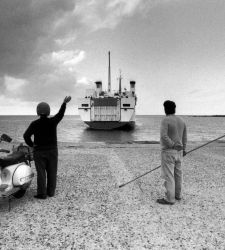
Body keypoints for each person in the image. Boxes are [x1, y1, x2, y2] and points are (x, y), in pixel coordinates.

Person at [23, 96, 71, 199]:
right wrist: (64, 103)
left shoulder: (34, 124)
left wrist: (32, 145)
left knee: (41, 173)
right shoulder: (52, 121)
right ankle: (51, 192)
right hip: (52, 151)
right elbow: (60, 114)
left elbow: (26, 136)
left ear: (38, 112)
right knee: (52, 171)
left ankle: (42, 194)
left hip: (39, 152)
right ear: (48, 111)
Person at [157, 100, 187, 205]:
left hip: (169, 152)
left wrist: (173, 144)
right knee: (178, 174)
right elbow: (184, 137)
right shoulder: (181, 120)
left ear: (165, 109)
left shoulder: (165, 120)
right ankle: (178, 195)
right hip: (179, 152)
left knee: (169, 175)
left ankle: (170, 199)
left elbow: (164, 136)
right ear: (174, 109)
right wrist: (184, 149)